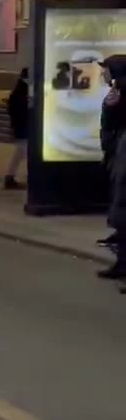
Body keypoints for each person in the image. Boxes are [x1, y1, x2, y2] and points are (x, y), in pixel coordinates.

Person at [96, 57, 126, 281]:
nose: (103, 74)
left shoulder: (120, 93)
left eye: (105, 70)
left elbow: (111, 122)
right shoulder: (117, 90)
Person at [4, 67, 30, 190]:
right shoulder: (24, 90)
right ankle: (30, 177)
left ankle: (9, 176)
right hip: (23, 125)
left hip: (19, 126)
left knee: (20, 152)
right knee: (27, 151)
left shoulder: (18, 90)